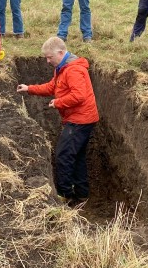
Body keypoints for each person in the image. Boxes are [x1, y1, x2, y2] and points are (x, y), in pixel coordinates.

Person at [16, 37, 99, 206]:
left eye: (49, 57)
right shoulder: (62, 68)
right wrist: (29, 89)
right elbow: (52, 87)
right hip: (79, 118)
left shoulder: (73, 70)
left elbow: (79, 95)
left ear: (60, 53)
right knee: (77, 156)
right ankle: (82, 194)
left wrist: (58, 102)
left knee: (63, 155)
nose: (47, 61)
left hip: (80, 120)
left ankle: (65, 195)